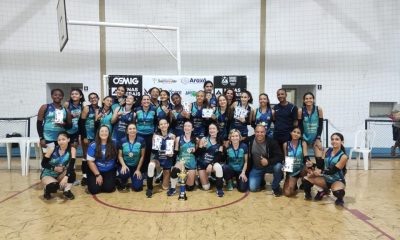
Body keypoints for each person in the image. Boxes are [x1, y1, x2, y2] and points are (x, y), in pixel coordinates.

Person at [302, 133, 348, 206]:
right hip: (325, 179)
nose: (334, 141)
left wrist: (320, 172)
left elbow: (333, 171)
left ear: (342, 142)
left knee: (338, 192)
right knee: (306, 179)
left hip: (337, 180)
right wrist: (312, 164)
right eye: (332, 139)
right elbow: (321, 165)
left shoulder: (344, 156)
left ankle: (340, 199)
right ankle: (319, 191)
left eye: (337, 139)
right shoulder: (326, 150)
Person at [248, 124, 284, 196]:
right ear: (254, 132)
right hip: (256, 168)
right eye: (257, 132)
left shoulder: (272, 142)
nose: (259, 134)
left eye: (262, 132)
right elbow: (239, 140)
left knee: (278, 166)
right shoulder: (250, 140)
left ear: (265, 132)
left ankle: (275, 187)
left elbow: (280, 156)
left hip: (269, 166)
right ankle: (261, 181)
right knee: (253, 188)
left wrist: (268, 161)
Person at [41, 131, 76, 200]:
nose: (61, 142)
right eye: (59, 140)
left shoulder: (72, 150)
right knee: (53, 187)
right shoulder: (52, 149)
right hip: (48, 174)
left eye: (63, 139)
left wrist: (66, 177)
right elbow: (43, 164)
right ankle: (46, 189)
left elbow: (71, 165)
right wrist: (54, 168)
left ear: (68, 140)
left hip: (60, 175)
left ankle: (67, 191)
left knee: (71, 172)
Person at [146, 119, 175, 198]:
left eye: (165, 123)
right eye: (161, 124)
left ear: (168, 125)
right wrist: (155, 141)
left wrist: (170, 154)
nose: (163, 125)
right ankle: (149, 188)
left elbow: (172, 154)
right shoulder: (155, 136)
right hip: (158, 160)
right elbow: (154, 151)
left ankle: (162, 175)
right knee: (151, 165)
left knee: (165, 188)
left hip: (167, 161)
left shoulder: (172, 136)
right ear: (159, 126)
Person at [169, 120, 198, 196]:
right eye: (185, 126)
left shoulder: (196, 140)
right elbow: (175, 152)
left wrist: (195, 149)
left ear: (192, 129)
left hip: (191, 164)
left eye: (189, 126)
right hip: (181, 161)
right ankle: (172, 188)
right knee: (175, 170)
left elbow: (198, 153)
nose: (187, 128)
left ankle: (189, 178)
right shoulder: (178, 138)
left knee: (189, 188)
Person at [86, 125, 118, 194]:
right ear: (98, 133)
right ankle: (93, 180)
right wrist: (97, 175)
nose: (104, 133)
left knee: (109, 189)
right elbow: (90, 162)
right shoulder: (93, 145)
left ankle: (108, 181)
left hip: (109, 170)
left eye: (106, 131)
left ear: (109, 133)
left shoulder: (114, 143)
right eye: (102, 131)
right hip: (96, 170)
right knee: (94, 190)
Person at [197, 122, 225, 197]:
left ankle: (219, 189)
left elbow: (219, 156)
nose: (211, 130)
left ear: (217, 130)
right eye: (210, 128)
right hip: (202, 164)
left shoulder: (220, 141)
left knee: (218, 167)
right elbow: (198, 154)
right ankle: (207, 178)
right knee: (206, 187)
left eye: (213, 128)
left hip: (212, 163)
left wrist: (211, 164)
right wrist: (201, 147)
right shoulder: (204, 139)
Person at [116, 123, 145, 192]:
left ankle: (139, 176)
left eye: (134, 128)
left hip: (135, 167)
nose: (132, 130)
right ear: (127, 131)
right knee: (124, 173)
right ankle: (123, 180)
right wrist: (123, 165)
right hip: (126, 165)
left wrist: (138, 169)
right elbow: (120, 156)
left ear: (136, 130)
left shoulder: (141, 140)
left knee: (137, 188)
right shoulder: (122, 141)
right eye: (130, 129)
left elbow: (142, 156)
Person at [282, 127, 310, 197]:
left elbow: (306, 156)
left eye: (298, 133)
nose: (296, 134)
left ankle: (306, 186)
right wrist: (288, 175)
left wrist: (309, 162)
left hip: (301, 169)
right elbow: (286, 159)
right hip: (292, 171)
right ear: (291, 133)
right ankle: (294, 184)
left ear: (300, 135)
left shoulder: (303, 143)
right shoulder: (286, 144)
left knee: (308, 168)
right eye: (294, 132)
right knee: (288, 193)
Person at [298, 92, 324, 167]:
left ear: (313, 99)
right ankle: (308, 174)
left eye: (310, 98)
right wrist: (302, 138)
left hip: (315, 137)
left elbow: (321, 125)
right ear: (303, 100)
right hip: (305, 136)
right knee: (306, 159)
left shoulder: (318, 109)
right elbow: (300, 126)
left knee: (319, 160)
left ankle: (318, 173)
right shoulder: (300, 110)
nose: (308, 100)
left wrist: (318, 138)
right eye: (306, 98)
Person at [80, 92, 100, 186]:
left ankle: (92, 174)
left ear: (98, 98)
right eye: (91, 98)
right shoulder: (87, 108)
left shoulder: (100, 109)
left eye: (94, 97)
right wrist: (84, 137)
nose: (93, 99)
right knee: (85, 156)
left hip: (96, 136)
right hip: (87, 136)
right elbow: (81, 123)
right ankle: (84, 176)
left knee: (93, 156)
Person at [135, 95, 158, 174]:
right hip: (139, 135)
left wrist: (155, 132)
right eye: (144, 99)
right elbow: (133, 122)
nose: (146, 101)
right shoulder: (137, 110)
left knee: (148, 153)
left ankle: (148, 172)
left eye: (148, 99)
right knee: (140, 153)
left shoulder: (154, 110)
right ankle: (139, 170)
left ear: (150, 101)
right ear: (141, 101)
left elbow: (156, 122)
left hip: (150, 135)